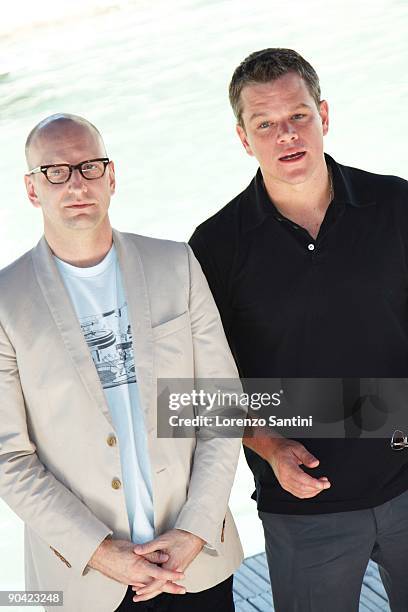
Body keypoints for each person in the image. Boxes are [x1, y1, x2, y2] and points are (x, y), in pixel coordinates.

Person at [189, 48, 408, 611]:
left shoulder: (396, 204)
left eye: (298, 117)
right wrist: (268, 445)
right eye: (265, 124)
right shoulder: (215, 247)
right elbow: (200, 393)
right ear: (244, 137)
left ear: (324, 115)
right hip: (305, 511)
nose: (286, 135)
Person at [0, 113, 243, 612]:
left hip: (196, 563)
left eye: (89, 167)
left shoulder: (176, 264)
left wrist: (194, 531)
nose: (76, 183)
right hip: (84, 578)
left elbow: (220, 410)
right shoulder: (6, 303)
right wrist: (102, 553)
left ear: (111, 176)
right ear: (31, 189)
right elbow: (9, 459)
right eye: (55, 172)